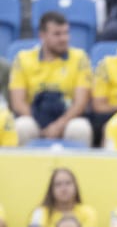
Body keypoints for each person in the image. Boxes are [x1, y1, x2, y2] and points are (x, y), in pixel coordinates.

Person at [10, 12, 93, 147]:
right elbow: (18, 102)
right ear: (42, 35)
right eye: (57, 34)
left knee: (80, 128)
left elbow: (80, 103)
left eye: (66, 33)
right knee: (21, 127)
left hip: (67, 118)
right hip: (34, 117)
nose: (64, 39)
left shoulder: (80, 58)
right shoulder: (23, 58)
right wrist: (41, 124)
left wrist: (59, 125)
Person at [28, 168, 97, 227]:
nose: (63, 188)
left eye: (68, 183)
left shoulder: (88, 212)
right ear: (51, 189)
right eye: (58, 184)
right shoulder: (40, 212)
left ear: (75, 187)